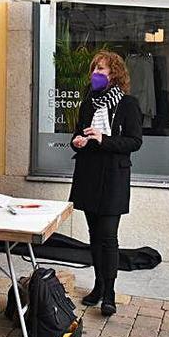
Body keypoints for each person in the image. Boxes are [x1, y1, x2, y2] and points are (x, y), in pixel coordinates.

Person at [69, 50, 143, 317]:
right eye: (94, 69)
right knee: (93, 237)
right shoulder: (88, 103)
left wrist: (103, 139)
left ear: (115, 74)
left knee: (108, 237)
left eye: (101, 70)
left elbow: (134, 142)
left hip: (113, 177)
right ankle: (98, 286)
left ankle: (109, 293)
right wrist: (78, 140)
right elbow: (79, 132)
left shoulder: (127, 104)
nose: (96, 74)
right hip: (89, 174)